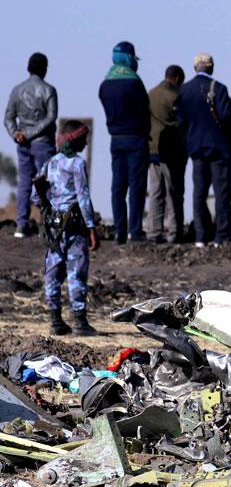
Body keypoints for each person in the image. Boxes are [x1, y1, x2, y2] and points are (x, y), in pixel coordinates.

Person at [34, 120, 99, 335]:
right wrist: (91, 227)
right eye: (83, 139)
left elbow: (36, 196)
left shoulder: (50, 163)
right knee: (76, 273)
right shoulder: (77, 164)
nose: (86, 143)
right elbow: (83, 197)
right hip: (73, 228)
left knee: (52, 273)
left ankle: (55, 321)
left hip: (52, 229)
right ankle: (80, 322)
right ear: (76, 140)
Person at [176, 53, 231, 247]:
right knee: (222, 194)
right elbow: (227, 115)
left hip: (196, 149)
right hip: (219, 148)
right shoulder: (219, 89)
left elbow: (181, 121)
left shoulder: (184, 91)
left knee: (199, 193)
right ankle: (222, 236)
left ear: (195, 68)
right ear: (211, 68)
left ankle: (200, 236)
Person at [98, 41, 151, 243]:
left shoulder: (105, 84)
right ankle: (135, 230)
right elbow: (144, 112)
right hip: (135, 139)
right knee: (136, 186)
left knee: (118, 187)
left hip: (115, 140)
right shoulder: (134, 83)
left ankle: (120, 230)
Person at [5, 52, 58, 239]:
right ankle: (49, 223)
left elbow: (8, 118)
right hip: (43, 143)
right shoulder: (49, 90)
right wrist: (29, 134)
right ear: (44, 69)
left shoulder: (16, 90)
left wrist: (17, 134)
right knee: (47, 182)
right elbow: (51, 117)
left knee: (25, 182)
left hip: (23, 144)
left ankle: (21, 224)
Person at [146, 65, 187, 243]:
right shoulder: (176, 97)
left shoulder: (151, 93)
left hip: (152, 150)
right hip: (171, 151)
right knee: (173, 192)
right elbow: (182, 123)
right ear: (177, 78)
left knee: (155, 191)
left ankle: (153, 231)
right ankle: (174, 231)